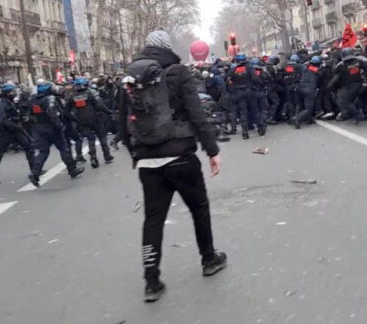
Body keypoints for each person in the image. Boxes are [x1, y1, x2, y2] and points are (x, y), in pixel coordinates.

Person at [119, 30, 226, 303]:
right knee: (199, 208)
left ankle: (151, 281)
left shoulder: (130, 76)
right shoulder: (179, 71)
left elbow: (121, 122)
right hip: (181, 156)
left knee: (153, 220)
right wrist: (211, 149)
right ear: (167, 48)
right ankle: (209, 258)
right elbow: (196, 113)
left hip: (148, 162)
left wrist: (137, 152)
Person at [29, 81, 84, 187]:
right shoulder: (50, 99)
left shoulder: (33, 100)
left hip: (39, 128)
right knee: (64, 149)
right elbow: (52, 113)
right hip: (52, 128)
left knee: (43, 151)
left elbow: (29, 114)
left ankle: (35, 173)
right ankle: (72, 169)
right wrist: (59, 125)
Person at [0, 84, 35, 185]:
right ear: (8, 93)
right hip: (6, 132)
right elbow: (2, 120)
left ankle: (35, 170)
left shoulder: (9, 102)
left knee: (29, 148)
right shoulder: (2, 105)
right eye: (12, 92)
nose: (14, 94)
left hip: (15, 130)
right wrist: (15, 126)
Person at [69, 77, 114, 168]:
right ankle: (107, 156)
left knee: (91, 139)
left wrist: (74, 119)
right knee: (102, 137)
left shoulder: (72, 96)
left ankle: (93, 158)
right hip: (96, 119)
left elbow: (67, 110)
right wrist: (109, 112)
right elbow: (99, 105)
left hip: (82, 121)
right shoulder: (91, 93)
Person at [227, 53, 262, 139]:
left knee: (243, 113)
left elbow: (228, 80)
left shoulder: (233, 69)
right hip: (249, 92)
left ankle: (245, 132)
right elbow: (255, 79)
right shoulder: (249, 67)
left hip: (239, 93)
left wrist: (234, 89)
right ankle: (260, 129)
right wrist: (259, 84)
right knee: (255, 110)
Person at [296, 55, 322, 128]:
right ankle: (298, 119)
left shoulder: (304, 67)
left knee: (302, 105)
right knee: (309, 107)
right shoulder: (317, 70)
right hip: (310, 89)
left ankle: (309, 119)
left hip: (301, 87)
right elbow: (320, 76)